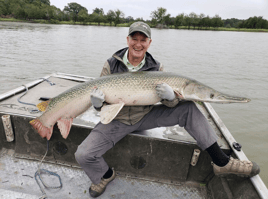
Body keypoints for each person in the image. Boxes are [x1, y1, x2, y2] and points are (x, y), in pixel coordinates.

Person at [75, 21, 260, 198]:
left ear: (149, 42)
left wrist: (170, 98)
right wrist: (98, 103)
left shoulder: (157, 67)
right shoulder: (110, 64)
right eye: (134, 39)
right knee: (83, 154)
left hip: (145, 115)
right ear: (127, 40)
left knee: (188, 107)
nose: (138, 44)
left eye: (143, 40)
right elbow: (102, 102)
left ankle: (221, 162)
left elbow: (169, 105)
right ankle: (105, 175)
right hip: (117, 120)